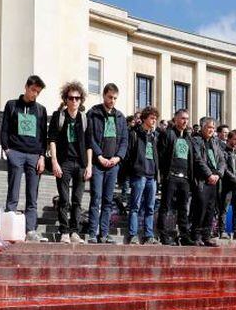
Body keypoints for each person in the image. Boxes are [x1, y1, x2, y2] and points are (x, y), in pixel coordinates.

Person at [0, 75, 48, 242]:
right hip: (16, 154)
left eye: (38, 92)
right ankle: (8, 228)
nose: (35, 94)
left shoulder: (41, 110)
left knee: (32, 196)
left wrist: (42, 156)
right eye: (33, 90)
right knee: (12, 194)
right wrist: (8, 151)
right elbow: (4, 130)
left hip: (34, 156)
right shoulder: (12, 105)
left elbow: (44, 137)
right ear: (26, 87)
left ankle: (30, 231)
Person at [48, 81, 91, 243]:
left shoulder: (84, 119)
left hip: (80, 164)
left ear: (81, 100)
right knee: (64, 199)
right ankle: (64, 231)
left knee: (77, 200)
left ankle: (74, 232)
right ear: (65, 99)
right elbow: (51, 140)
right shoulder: (59, 117)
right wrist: (54, 162)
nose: (74, 101)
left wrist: (89, 165)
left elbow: (89, 144)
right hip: (63, 162)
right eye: (71, 98)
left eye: (77, 98)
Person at [85, 83, 127, 244]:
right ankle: (92, 233)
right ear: (104, 96)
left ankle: (104, 233)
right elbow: (90, 138)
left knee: (108, 200)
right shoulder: (93, 113)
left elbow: (124, 140)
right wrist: (99, 156)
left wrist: (118, 158)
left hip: (113, 165)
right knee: (96, 198)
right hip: (97, 164)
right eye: (110, 97)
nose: (112, 101)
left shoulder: (120, 117)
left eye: (115, 98)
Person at [157, 108, 194, 246]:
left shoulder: (188, 139)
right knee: (165, 207)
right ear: (176, 119)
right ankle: (164, 235)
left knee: (183, 208)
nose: (185, 121)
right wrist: (163, 175)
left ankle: (184, 235)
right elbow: (161, 155)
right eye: (183, 118)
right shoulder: (168, 134)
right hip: (171, 177)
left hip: (185, 179)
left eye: (187, 119)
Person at [123, 106, 160, 245]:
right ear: (144, 118)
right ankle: (133, 235)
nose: (154, 121)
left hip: (152, 176)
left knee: (150, 207)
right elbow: (129, 153)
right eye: (151, 118)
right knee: (135, 206)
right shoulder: (135, 133)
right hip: (139, 174)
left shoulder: (155, 135)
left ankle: (149, 235)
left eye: (155, 118)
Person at [191, 118, 226, 246]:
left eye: (213, 128)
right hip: (202, 180)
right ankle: (196, 236)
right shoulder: (196, 141)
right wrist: (209, 174)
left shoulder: (215, 143)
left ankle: (207, 236)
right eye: (209, 127)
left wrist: (218, 174)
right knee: (200, 208)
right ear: (202, 127)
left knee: (211, 209)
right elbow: (198, 159)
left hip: (214, 181)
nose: (211, 130)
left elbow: (222, 160)